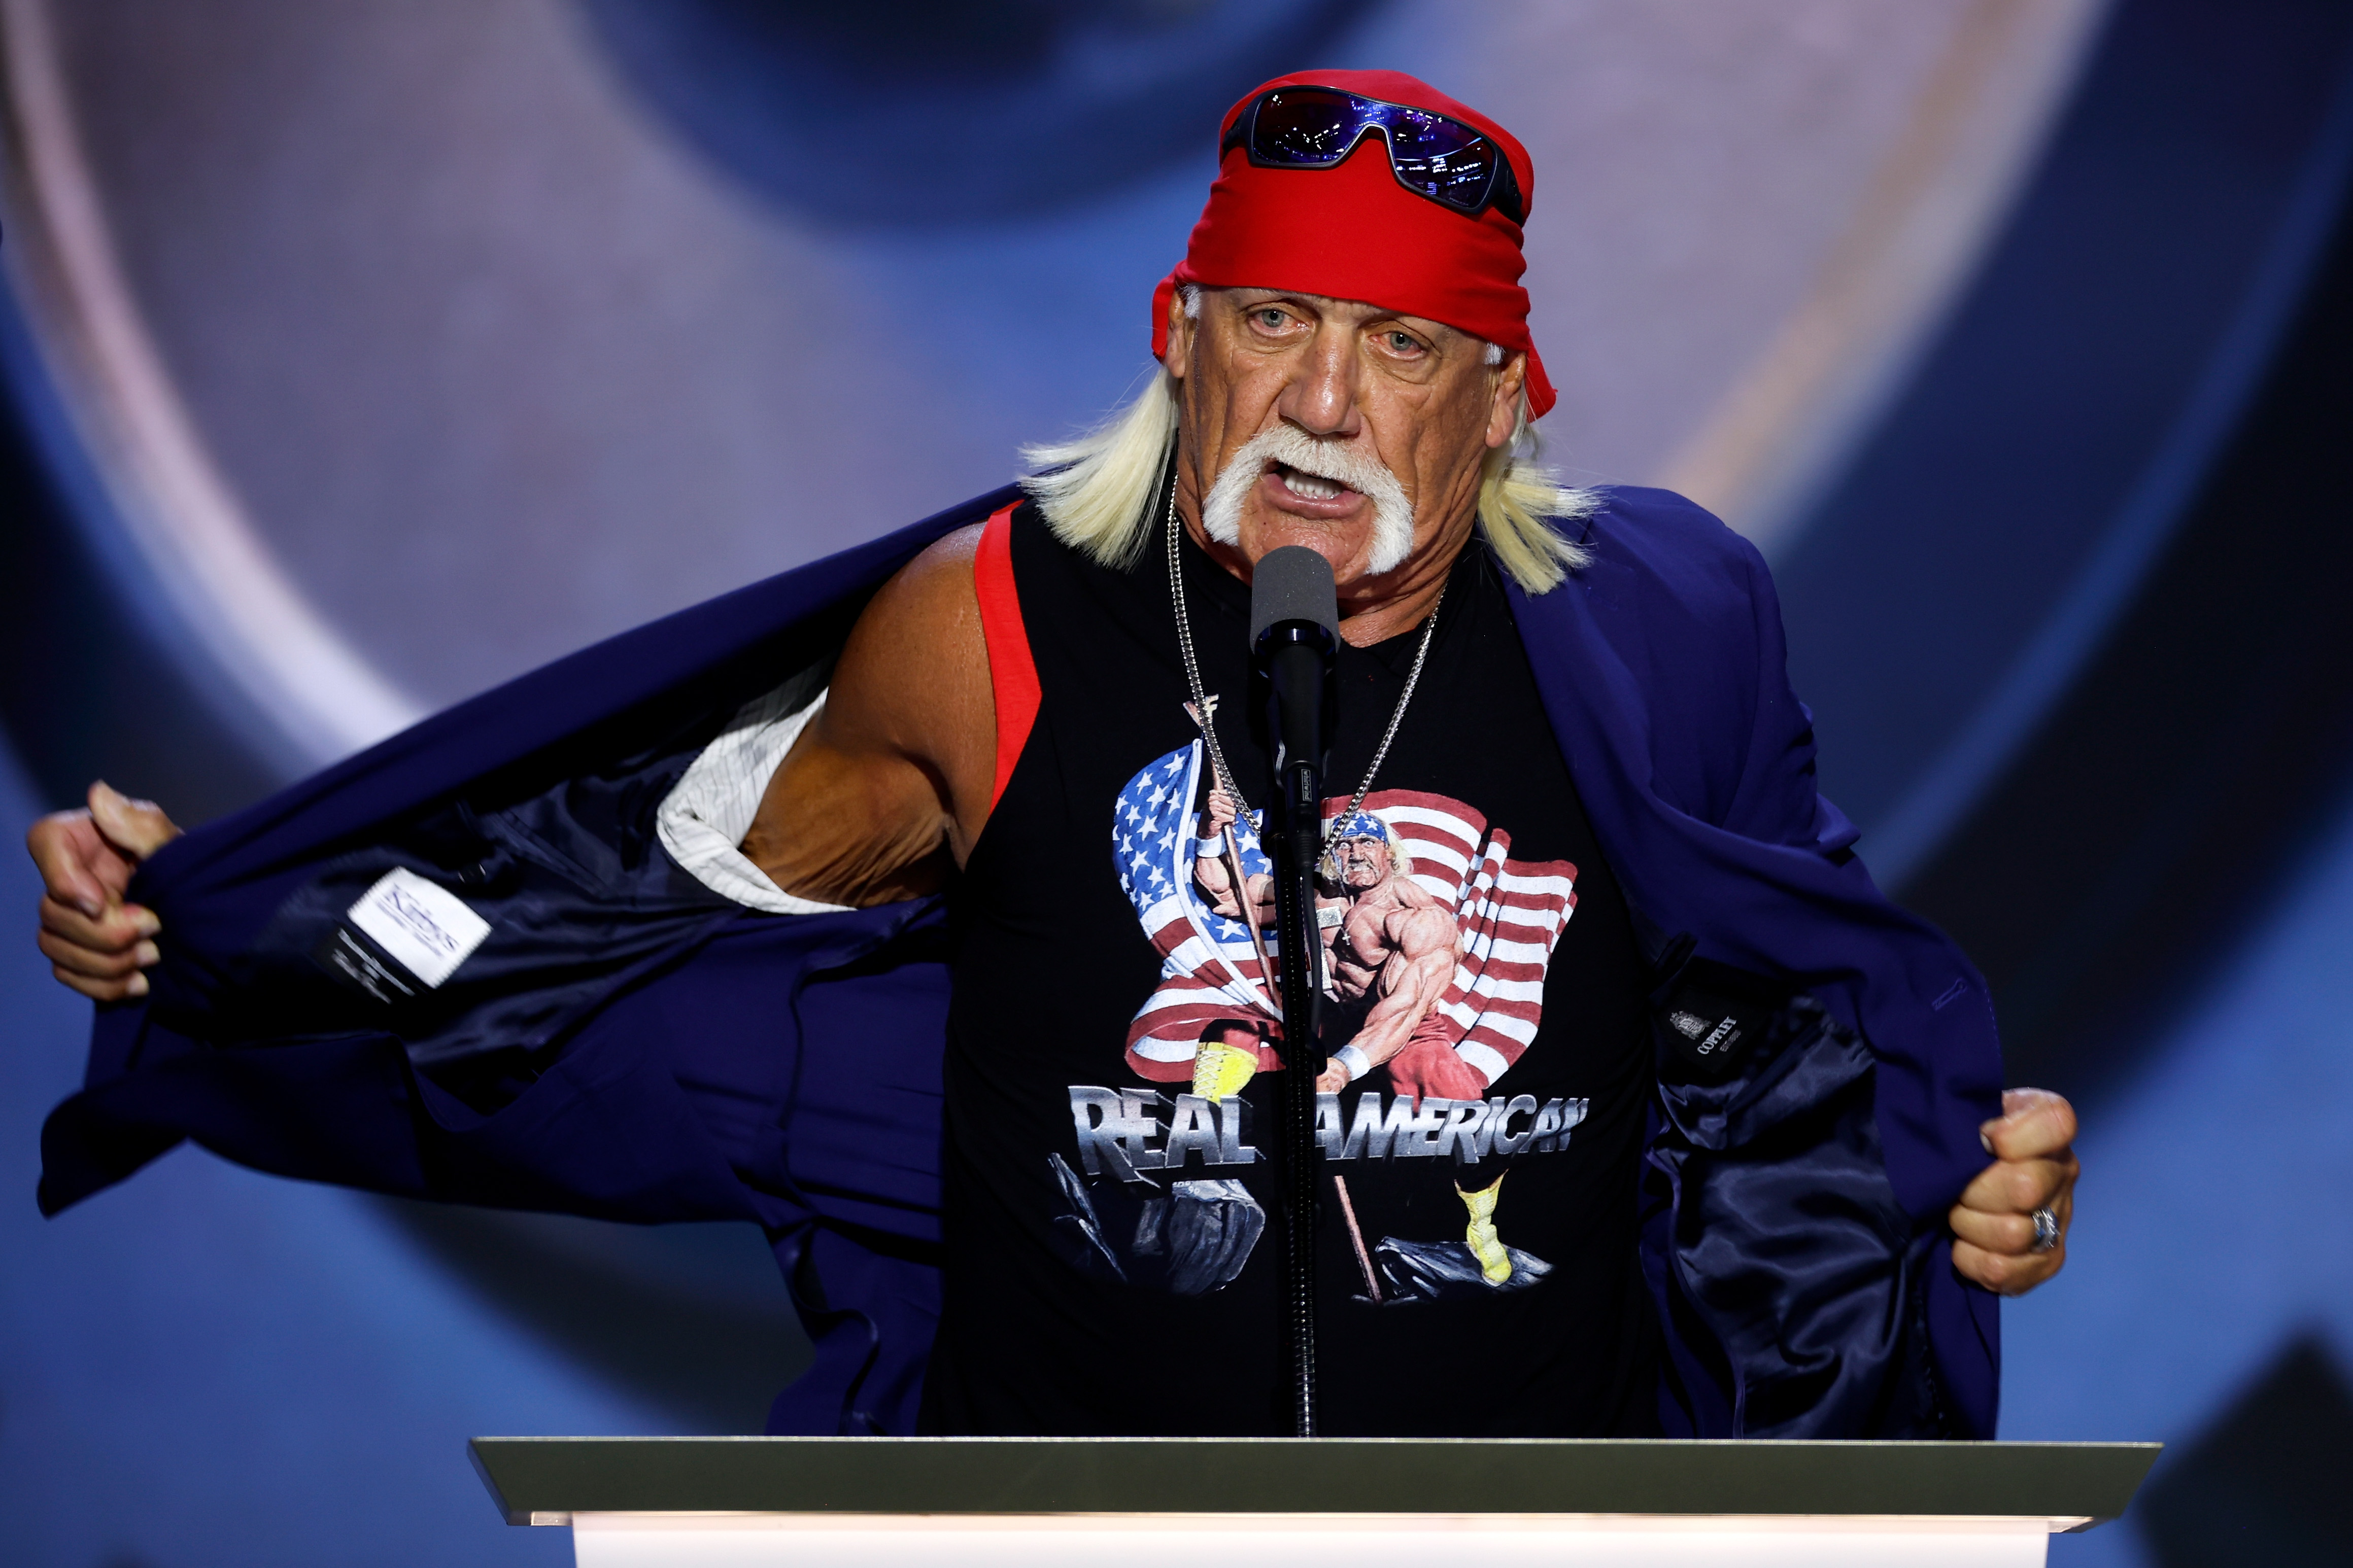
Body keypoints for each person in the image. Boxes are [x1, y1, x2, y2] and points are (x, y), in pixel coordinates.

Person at [26, 72, 2078, 1440]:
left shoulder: (1661, 631)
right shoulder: (984, 633)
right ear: (1181, 338)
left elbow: (1786, 1036)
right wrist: (229, 938)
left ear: (1502, 401)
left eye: (1402, 346)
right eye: (1275, 321)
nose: (1325, 404)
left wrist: (1935, 1194)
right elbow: (626, 896)